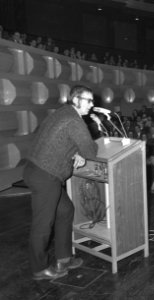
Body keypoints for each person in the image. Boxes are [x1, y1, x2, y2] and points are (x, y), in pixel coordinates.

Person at [23, 85, 99, 280]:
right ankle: (39, 269)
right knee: (43, 224)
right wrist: (95, 131)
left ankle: (64, 258)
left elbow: (52, 137)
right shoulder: (75, 120)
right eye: (88, 100)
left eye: (92, 101)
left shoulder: (62, 113)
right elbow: (91, 151)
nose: (92, 104)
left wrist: (73, 152)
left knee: (65, 211)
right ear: (75, 100)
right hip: (46, 176)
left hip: (37, 170)